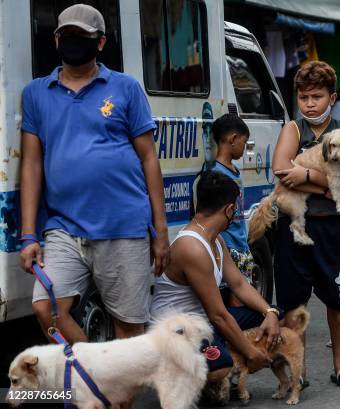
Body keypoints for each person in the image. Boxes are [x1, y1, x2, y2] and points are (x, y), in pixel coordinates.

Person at [20, 4, 169, 343]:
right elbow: (31, 164)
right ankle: (98, 375)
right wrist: (29, 236)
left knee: (129, 328)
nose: (74, 42)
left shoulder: (126, 88)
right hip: (64, 227)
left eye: (83, 37)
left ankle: (110, 392)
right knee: (47, 308)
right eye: (67, 36)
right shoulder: (35, 94)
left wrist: (160, 231)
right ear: (56, 40)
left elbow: (149, 159)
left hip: (123, 226)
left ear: (100, 43)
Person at [271, 61, 340, 387]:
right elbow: (282, 171)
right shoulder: (293, 130)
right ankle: (299, 370)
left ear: (332, 97)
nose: (310, 103)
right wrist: (326, 184)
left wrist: (307, 176)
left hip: (334, 227)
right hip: (295, 227)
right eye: (304, 97)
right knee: (294, 305)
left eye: (317, 96)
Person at [150, 170, 280, 385]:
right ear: (230, 209)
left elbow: (238, 283)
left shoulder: (216, 240)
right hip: (177, 331)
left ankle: (223, 346)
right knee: (219, 369)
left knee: (278, 317)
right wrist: (251, 353)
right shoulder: (192, 247)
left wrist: (270, 312)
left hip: (203, 321)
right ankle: (174, 376)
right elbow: (218, 314)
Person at [210, 114, 255, 306]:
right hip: (228, 248)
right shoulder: (216, 174)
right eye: (244, 142)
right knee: (235, 304)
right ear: (233, 139)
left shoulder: (234, 170)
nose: (245, 148)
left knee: (241, 300)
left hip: (241, 246)